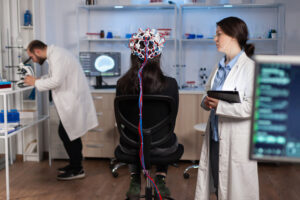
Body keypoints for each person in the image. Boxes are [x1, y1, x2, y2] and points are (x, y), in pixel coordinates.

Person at [194, 17, 259, 200]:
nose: (215, 38)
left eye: (219, 34)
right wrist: (206, 102)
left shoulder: (250, 69)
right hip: (215, 138)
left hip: (236, 141)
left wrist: (221, 106)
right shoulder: (218, 67)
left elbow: (251, 107)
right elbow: (207, 92)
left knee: (237, 192)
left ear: (233, 36)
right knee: (219, 188)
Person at [116, 28, 179, 200]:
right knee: (168, 135)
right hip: (162, 147)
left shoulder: (121, 84)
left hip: (130, 145)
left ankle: (135, 179)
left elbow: (121, 121)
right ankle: (160, 177)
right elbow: (171, 120)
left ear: (133, 55)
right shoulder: (171, 85)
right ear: (158, 55)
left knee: (137, 139)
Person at [24, 40, 98, 181]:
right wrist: (40, 79)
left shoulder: (57, 56)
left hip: (73, 101)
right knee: (69, 133)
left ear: (37, 52)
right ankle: (74, 164)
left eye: (32, 57)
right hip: (72, 100)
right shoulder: (55, 54)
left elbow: (56, 81)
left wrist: (35, 82)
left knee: (69, 134)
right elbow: (55, 76)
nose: (33, 60)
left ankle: (77, 169)